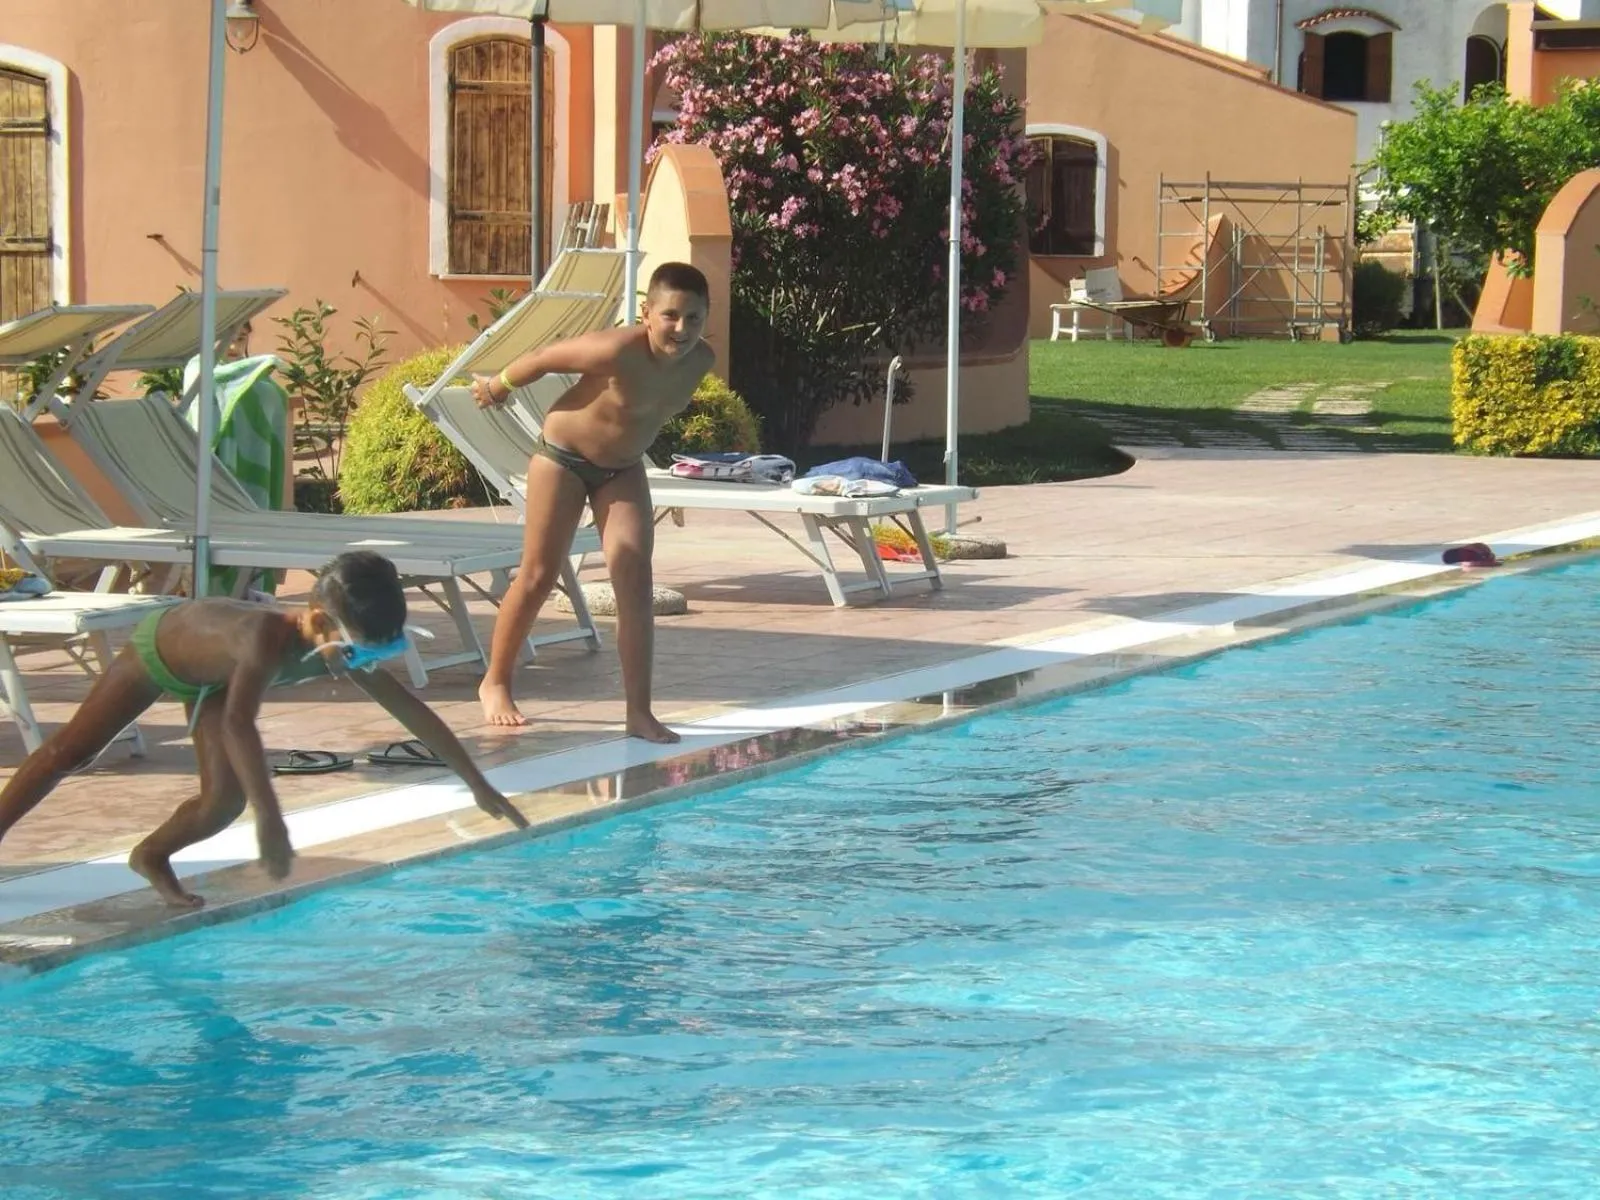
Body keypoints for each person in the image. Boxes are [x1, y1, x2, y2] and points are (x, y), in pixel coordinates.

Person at [0, 551, 526, 909]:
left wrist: (476, 782)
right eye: (361, 645)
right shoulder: (264, 637)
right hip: (164, 651)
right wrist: (271, 819)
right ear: (319, 622)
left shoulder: (336, 647)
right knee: (71, 752)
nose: (365, 659)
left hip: (220, 682)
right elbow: (238, 724)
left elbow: (410, 710)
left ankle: (151, 855)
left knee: (221, 804)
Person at [470, 261, 715, 739]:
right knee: (540, 574)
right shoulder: (618, 348)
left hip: (622, 469)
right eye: (670, 315)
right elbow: (543, 357)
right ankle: (495, 681)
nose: (681, 329)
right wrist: (498, 386)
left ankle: (638, 713)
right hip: (563, 458)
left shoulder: (701, 361)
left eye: (693, 318)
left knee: (634, 575)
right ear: (646, 313)